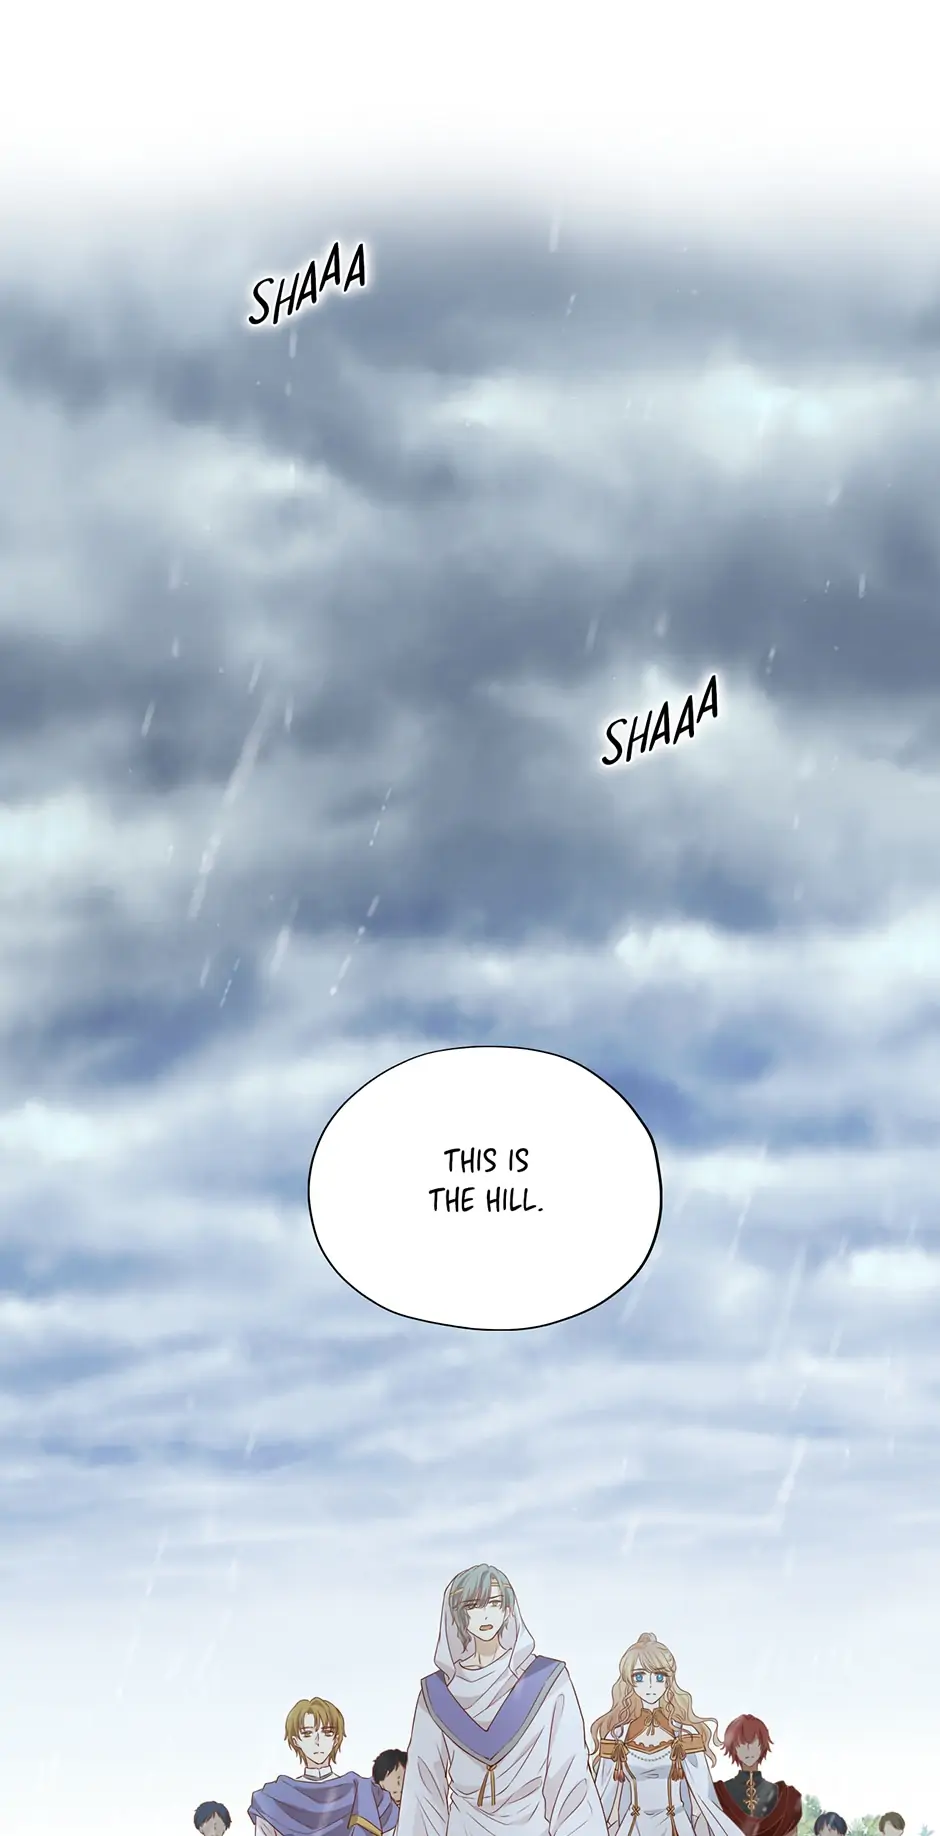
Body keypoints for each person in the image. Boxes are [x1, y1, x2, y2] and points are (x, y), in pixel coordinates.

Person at [397, 1562, 607, 1836]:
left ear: (508, 1609)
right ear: (459, 1614)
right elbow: (424, 1792)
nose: (485, 1614)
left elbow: (569, 1779)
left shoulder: (548, 1680)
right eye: (473, 1606)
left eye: (494, 1603)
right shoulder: (437, 1694)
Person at [590, 1632, 742, 1836]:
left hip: (677, 1827)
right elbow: (604, 1800)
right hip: (633, 1829)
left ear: (669, 1680)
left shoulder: (685, 1734)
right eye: (640, 1677)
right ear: (629, 1680)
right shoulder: (617, 1736)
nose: (650, 1685)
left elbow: (702, 1798)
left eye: (659, 1677)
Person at [249, 1695, 399, 1836]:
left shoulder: (364, 1792)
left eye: (327, 1733)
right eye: (307, 1734)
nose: (318, 1741)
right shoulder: (274, 1798)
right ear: (296, 1741)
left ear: (336, 1738)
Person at [714, 1717, 801, 1836]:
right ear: (734, 1747)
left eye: (754, 1743)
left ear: (762, 1745)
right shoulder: (720, 1793)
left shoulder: (785, 1798)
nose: (748, 1749)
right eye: (742, 1744)